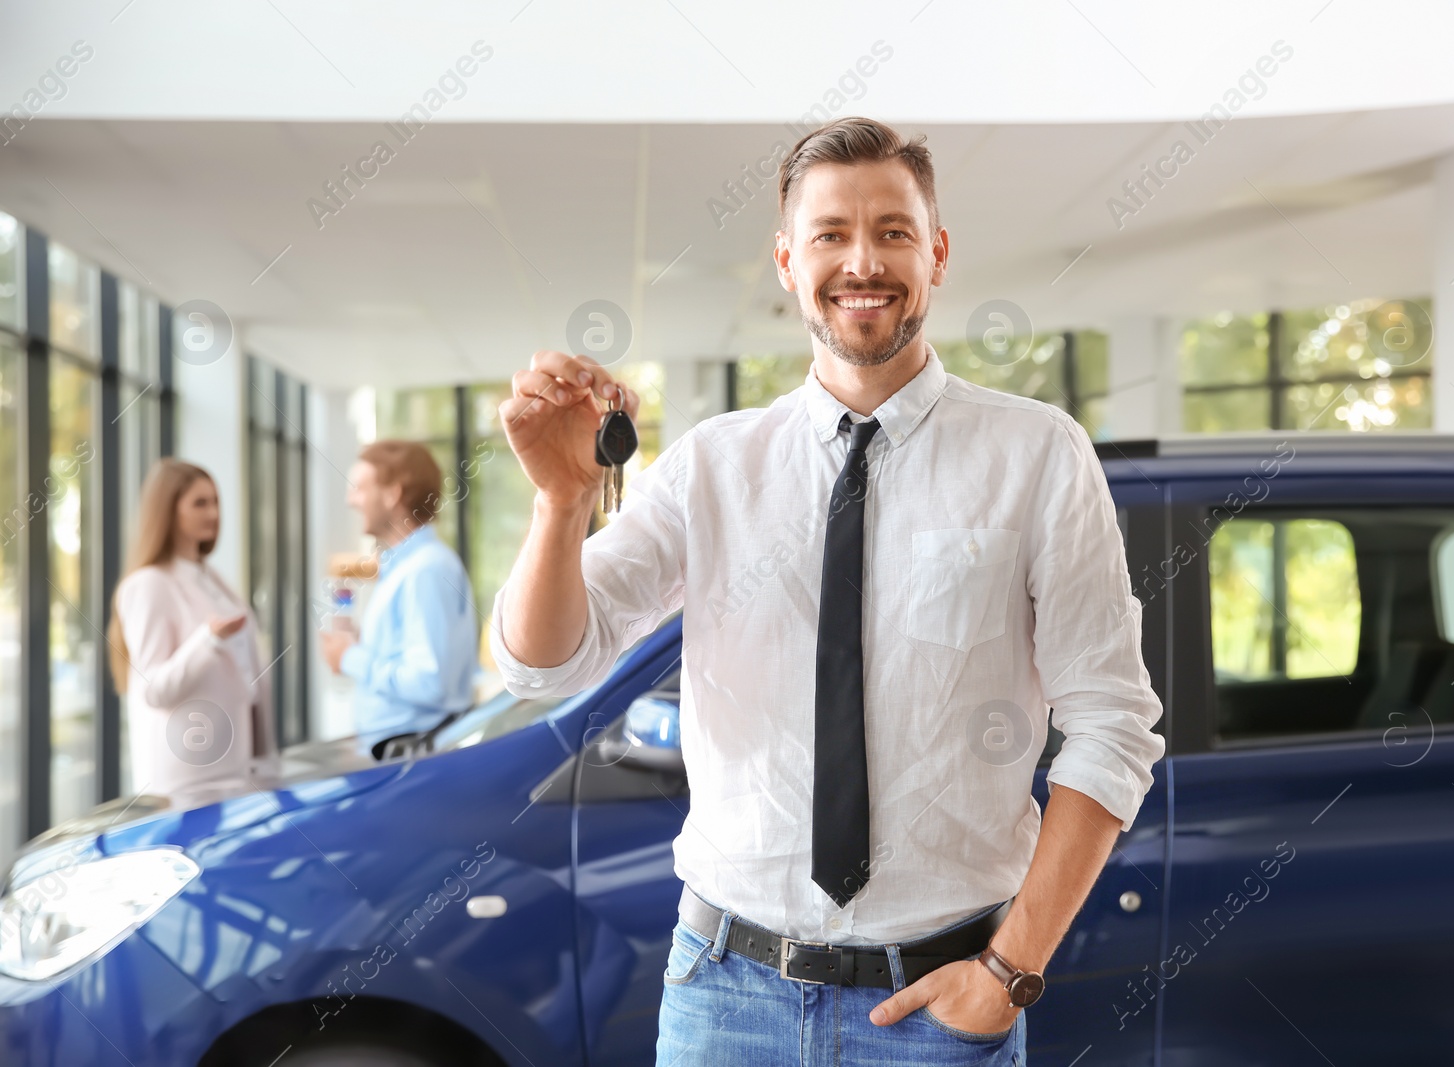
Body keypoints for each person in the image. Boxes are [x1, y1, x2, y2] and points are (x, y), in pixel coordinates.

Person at [490, 117, 1166, 1064]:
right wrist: (562, 507)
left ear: (935, 253)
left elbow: (1112, 724)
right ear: (785, 259)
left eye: (893, 231)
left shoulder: (1036, 455)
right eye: (830, 234)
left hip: (936, 1008)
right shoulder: (714, 467)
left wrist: (1009, 972)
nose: (864, 261)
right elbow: (544, 661)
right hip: (725, 997)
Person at [109, 459, 276, 794]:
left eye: (215, 502)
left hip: (236, 766)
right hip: (189, 778)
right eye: (200, 503)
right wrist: (208, 640)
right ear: (168, 510)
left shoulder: (212, 579)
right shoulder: (149, 584)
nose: (213, 513)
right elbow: (153, 690)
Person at [320, 440, 478, 753]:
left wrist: (350, 657)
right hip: (402, 748)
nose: (350, 500)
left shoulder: (425, 570)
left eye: (359, 488)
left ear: (393, 494)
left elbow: (430, 684)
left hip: (411, 752)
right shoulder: (407, 569)